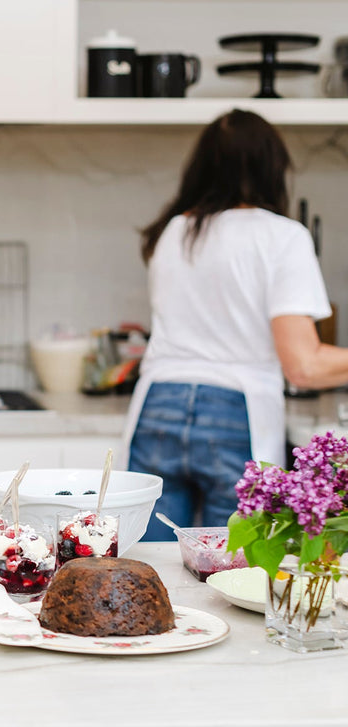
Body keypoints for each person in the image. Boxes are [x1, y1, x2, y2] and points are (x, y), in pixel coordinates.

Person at [124, 108, 348, 541]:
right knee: (232, 566)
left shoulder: (171, 232)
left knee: (148, 563)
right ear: (273, 169)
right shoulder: (282, 236)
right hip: (235, 412)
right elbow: (303, 365)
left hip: (157, 406)